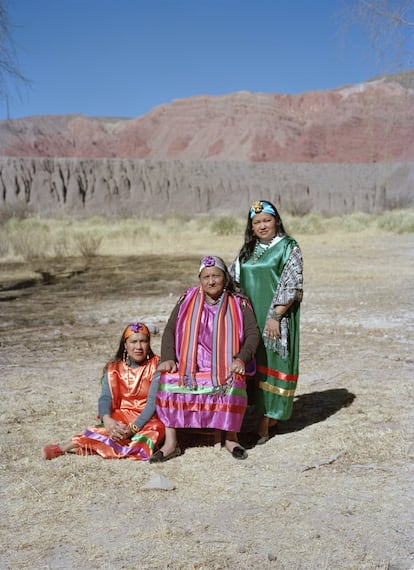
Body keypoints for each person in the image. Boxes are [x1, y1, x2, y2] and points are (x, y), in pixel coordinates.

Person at [149, 255, 260, 463]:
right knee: (168, 380)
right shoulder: (186, 298)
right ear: (200, 279)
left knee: (232, 380)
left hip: (224, 364)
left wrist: (241, 359)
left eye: (216, 276)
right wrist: (168, 358)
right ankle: (171, 443)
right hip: (190, 365)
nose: (211, 281)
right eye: (206, 276)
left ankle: (231, 438)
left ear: (225, 278)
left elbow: (253, 333)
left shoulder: (238, 302)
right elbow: (171, 329)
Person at [229, 200, 303, 443]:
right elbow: (232, 281)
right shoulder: (247, 251)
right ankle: (261, 416)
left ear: (276, 221)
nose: (262, 226)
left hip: (274, 319)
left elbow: (292, 285)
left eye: (267, 220)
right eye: (256, 222)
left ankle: (265, 424)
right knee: (255, 367)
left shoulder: (288, 247)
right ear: (251, 227)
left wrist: (275, 316)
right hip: (250, 320)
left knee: (273, 365)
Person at [42, 322, 165, 461]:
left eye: (143, 341)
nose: (138, 347)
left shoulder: (158, 365)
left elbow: (152, 403)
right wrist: (107, 421)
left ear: (149, 344)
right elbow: (105, 397)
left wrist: (132, 429)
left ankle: (109, 446)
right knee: (106, 430)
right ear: (125, 345)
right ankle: (62, 448)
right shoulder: (113, 369)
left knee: (155, 429)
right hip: (122, 416)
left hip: (148, 419)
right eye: (133, 342)